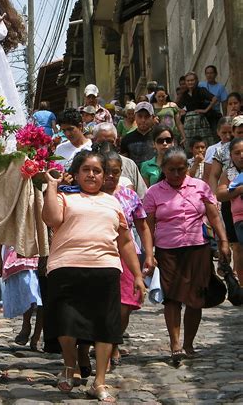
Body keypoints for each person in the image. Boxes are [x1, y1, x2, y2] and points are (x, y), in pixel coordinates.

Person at [42, 150, 145, 401]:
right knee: (66, 323)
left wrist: (138, 275)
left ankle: (99, 382)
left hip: (105, 269)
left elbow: (126, 242)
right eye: (86, 170)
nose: (91, 175)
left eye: (97, 171)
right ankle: (69, 366)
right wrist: (53, 188)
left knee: (105, 328)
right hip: (65, 267)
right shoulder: (65, 198)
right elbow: (51, 218)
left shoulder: (113, 202)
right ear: (75, 174)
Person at [143, 147, 230, 363]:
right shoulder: (154, 192)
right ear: (163, 169)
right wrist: (149, 253)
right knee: (172, 298)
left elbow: (214, 216)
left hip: (198, 248)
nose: (176, 174)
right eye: (171, 170)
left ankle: (189, 344)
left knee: (195, 298)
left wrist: (223, 241)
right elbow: (147, 225)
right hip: (168, 251)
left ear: (186, 168)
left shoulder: (199, 187)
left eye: (180, 169)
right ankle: (175, 345)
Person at [101, 151, 154, 366]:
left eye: (116, 172)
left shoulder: (129, 196)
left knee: (125, 303)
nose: (111, 177)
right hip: (99, 253)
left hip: (127, 253)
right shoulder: (89, 194)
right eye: (107, 172)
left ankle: (114, 342)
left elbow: (143, 225)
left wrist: (149, 254)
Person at [0, 246, 43, 351]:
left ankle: (37, 334)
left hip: (45, 250)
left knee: (43, 293)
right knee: (27, 289)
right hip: (19, 249)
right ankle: (26, 324)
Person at [93, 123, 148, 199]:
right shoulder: (89, 164)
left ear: (116, 141)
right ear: (94, 141)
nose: (106, 146)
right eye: (101, 142)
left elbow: (142, 195)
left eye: (110, 142)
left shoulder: (129, 164)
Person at [216, 137, 243, 279]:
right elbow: (220, 194)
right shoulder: (228, 173)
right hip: (235, 217)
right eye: (237, 153)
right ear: (231, 155)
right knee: (238, 249)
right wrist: (238, 190)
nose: (241, 156)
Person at [177, 71, 217, 149]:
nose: (190, 82)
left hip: (202, 121)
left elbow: (214, 99)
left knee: (204, 143)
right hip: (189, 124)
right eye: (188, 81)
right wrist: (182, 111)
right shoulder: (184, 94)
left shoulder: (201, 90)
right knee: (191, 145)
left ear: (196, 80)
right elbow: (177, 106)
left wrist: (205, 110)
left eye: (192, 80)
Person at [120, 102, 155, 168]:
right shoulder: (127, 139)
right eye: (140, 116)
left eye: (147, 116)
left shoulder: (159, 137)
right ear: (135, 117)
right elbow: (124, 163)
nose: (143, 120)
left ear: (152, 117)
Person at [202, 116, 233, 182]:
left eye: (230, 132)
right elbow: (207, 176)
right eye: (224, 133)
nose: (228, 136)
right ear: (218, 132)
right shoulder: (211, 149)